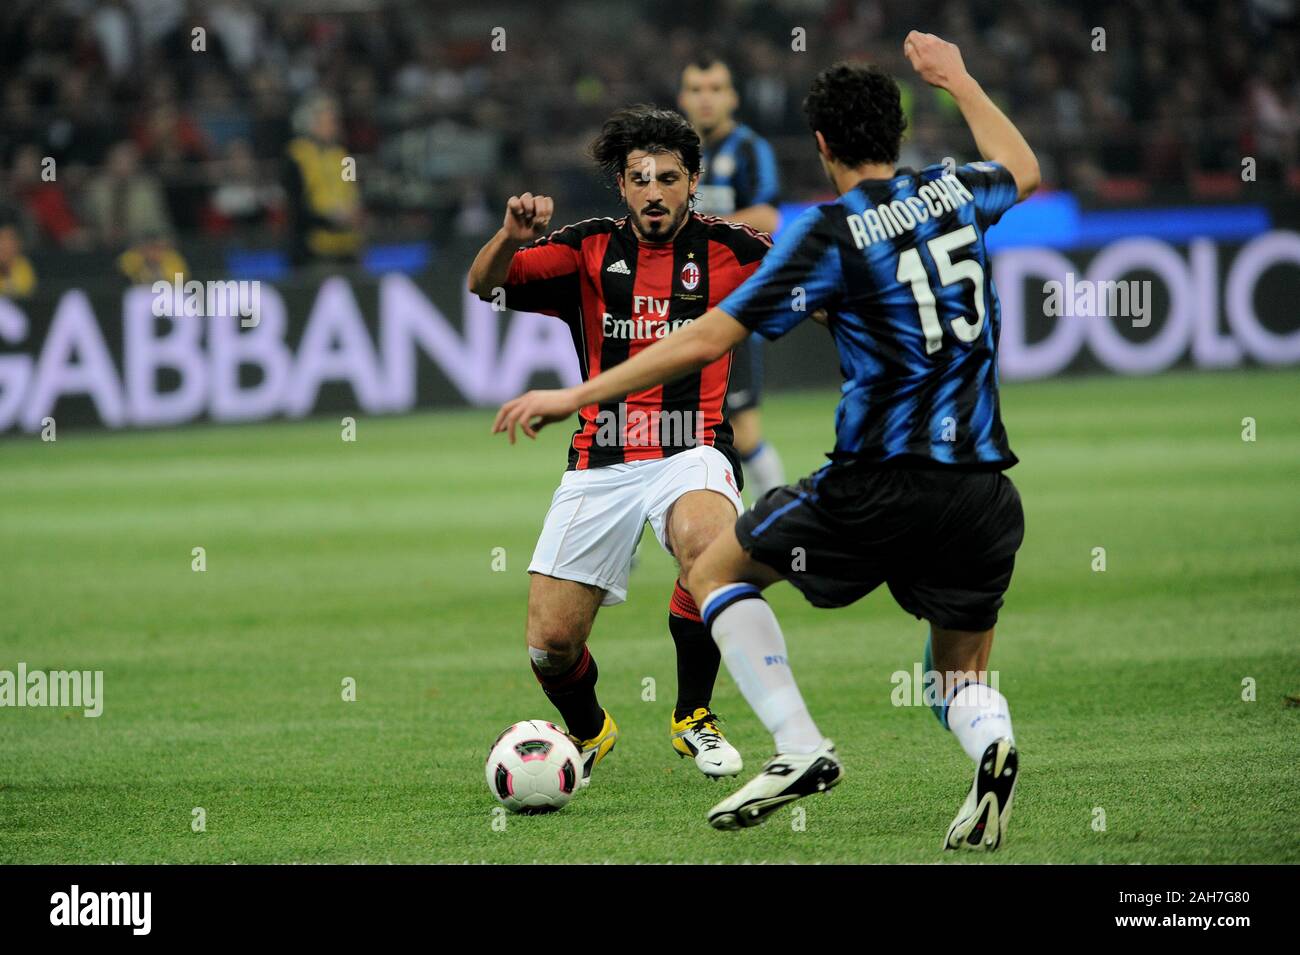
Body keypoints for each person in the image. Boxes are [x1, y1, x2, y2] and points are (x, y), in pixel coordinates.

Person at [493, 33, 1040, 850]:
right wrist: (960, 78)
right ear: (897, 130)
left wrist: (576, 392)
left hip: (880, 477)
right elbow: (1022, 167)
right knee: (955, 675)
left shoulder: (826, 234)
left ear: (820, 144)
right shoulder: (954, 190)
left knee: (714, 568)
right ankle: (991, 745)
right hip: (987, 489)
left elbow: (710, 335)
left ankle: (799, 744)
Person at [472, 105, 777, 783]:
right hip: (600, 455)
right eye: (639, 178)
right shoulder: (584, 248)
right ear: (621, 184)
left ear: (692, 180)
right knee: (551, 643)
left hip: (692, 445)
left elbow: (817, 292)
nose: (654, 191)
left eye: (668, 177)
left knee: (707, 547)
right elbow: (484, 284)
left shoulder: (736, 249)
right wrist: (508, 236)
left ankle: (693, 715)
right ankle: (589, 730)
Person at [678, 55, 786, 502]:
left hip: (731, 308)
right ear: (683, 97)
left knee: (742, 433)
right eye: (697, 89)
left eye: (716, 88)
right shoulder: (669, 152)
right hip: (673, 309)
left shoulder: (748, 150)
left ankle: (781, 510)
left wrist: (702, 228)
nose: (706, 98)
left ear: (733, 97)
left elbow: (767, 216)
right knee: (656, 426)